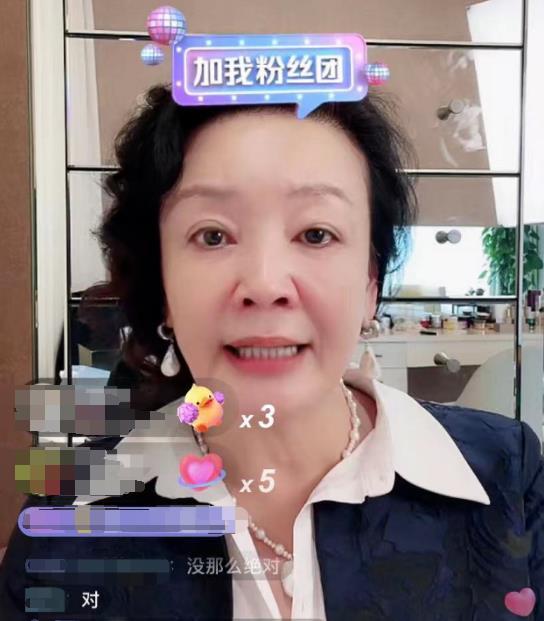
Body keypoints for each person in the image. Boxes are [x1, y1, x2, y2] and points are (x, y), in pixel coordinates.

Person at [1, 83, 543, 621]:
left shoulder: (510, 476)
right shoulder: (65, 517)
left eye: (315, 234)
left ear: (370, 282)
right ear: (162, 287)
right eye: (212, 236)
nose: (264, 284)